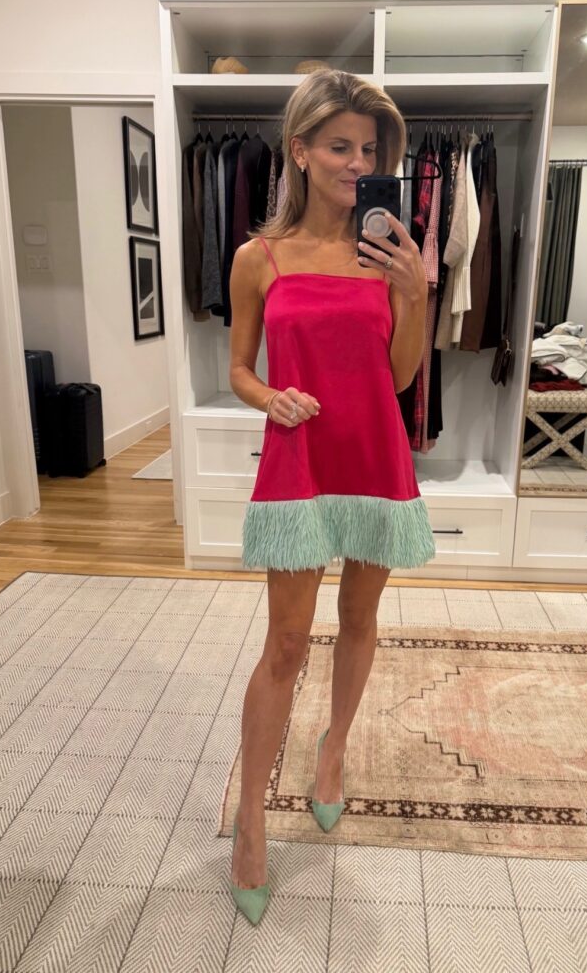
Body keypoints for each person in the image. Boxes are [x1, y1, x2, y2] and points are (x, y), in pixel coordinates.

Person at [227, 68, 436, 925]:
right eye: (341, 146)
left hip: (373, 455)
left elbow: (401, 376)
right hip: (300, 457)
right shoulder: (258, 259)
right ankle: (249, 817)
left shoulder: (390, 254)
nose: (359, 163)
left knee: (359, 618)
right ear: (302, 151)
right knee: (285, 642)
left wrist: (415, 291)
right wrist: (267, 397)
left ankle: (334, 749)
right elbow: (239, 369)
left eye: (371, 150)